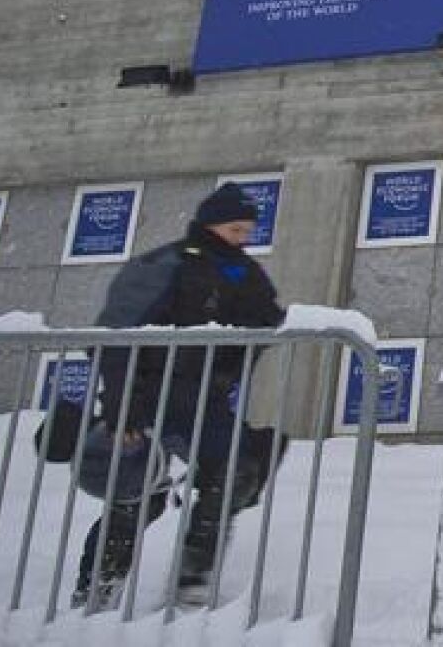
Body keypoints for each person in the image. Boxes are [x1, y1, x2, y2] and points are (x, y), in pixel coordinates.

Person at [73, 182, 287, 611]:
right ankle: (97, 583)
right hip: (147, 397)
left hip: (202, 402)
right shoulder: (164, 264)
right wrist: (121, 411)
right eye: (234, 229)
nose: (241, 238)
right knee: (137, 493)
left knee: (238, 469)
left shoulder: (243, 272)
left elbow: (270, 319)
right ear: (211, 222)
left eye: (246, 230)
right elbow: (115, 335)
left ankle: (193, 577)